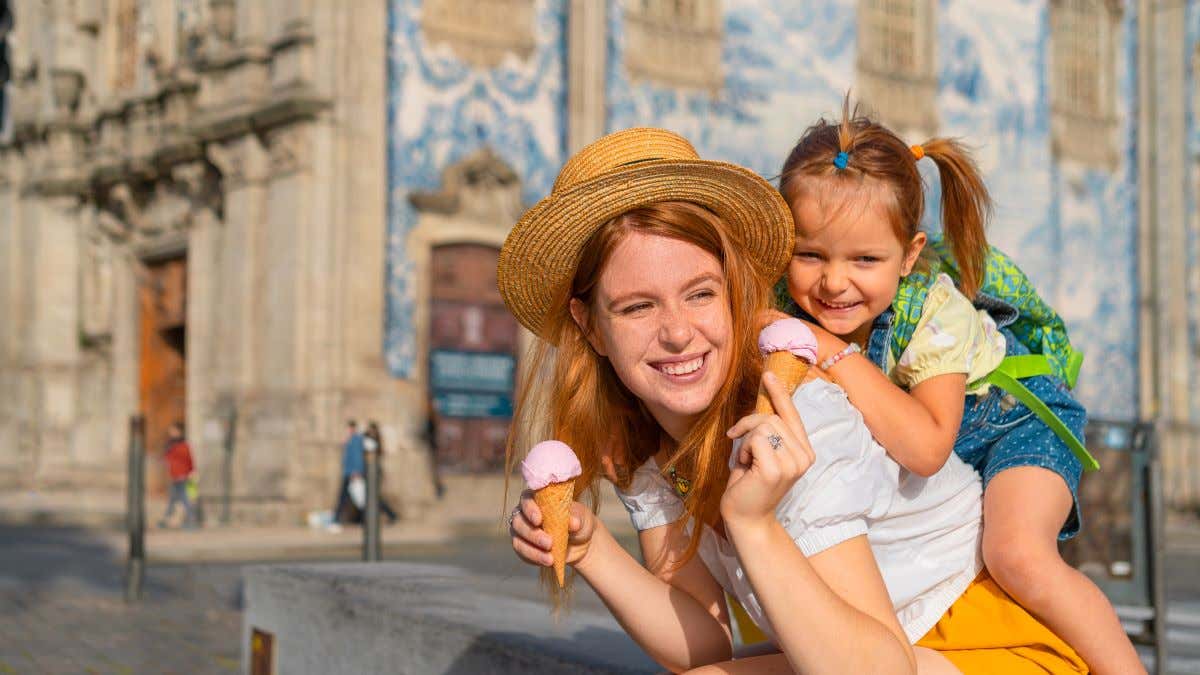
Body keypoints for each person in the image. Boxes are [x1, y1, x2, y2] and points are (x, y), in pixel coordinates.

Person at [500, 128, 1086, 673]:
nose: (677, 332)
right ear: (591, 326)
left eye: (700, 294)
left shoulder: (797, 412)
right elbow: (703, 641)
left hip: (981, 643)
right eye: (637, 307)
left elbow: (884, 669)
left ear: (736, 293)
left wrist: (751, 524)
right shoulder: (641, 438)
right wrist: (591, 549)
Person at [775, 100, 1139, 672]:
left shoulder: (934, 310)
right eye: (810, 254)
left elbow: (925, 449)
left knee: (1016, 555)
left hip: (1012, 424)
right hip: (938, 437)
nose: (834, 281)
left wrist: (831, 353)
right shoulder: (783, 303)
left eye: (865, 259)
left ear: (908, 255)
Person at [158, 421, 197, 529]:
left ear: (179, 432)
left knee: (183, 498)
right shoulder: (170, 443)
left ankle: (191, 520)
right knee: (173, 498)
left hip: (181, 475)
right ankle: (166, 519)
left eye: (173, 430)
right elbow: (167, 458)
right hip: (173, 475)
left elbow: (188, 459)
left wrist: (192, 472)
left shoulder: (182, 445)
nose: (171, 432)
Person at [364, 421, 399, 524]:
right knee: (371, 496)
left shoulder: (374, 441)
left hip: (374, 470)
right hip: (371, 470)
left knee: (374, 496)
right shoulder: (369, 439)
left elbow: (372, 455)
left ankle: (391, 514)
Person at [333, 419, 365, 524]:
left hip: (351, 473)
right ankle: (337, 519)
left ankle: (336, 519)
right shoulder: (351, 439)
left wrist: (356, 471)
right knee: (355, 498)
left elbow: (357, 457)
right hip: (349, 472)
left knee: (345, 498)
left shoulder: (355, 439)